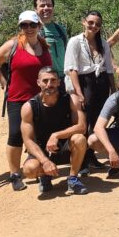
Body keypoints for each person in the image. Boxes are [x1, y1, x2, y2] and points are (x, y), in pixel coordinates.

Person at [0, 10, 52, 192]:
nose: (29, 28)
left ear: (39, 26)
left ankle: (41, 172)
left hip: (39, 99)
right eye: (24, 25)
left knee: (39, 135)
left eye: (32, 25)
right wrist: (3, 82)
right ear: (20, 27)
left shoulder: (43, 45)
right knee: (16, 136)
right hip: (17, 98)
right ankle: (15, 174)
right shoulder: (13, 45)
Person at [20, 67, 89, 195]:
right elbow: (28, 140)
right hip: (42, 151)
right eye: (45, 81)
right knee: (29, 170)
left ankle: (73, 179)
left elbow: (82, 126)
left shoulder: (70, 99)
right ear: (38, 83)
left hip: (65, 147)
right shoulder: (29, 107)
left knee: (80, 138)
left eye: (53, 80)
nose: (49, 84)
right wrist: (44, 161)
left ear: (59, 82)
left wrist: (56, 135)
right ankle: (44, 176)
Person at [64, 10, 115, 133]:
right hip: (85, 81)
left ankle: (93, 144)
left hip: (102, 81)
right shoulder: (75, 41)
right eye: (90, 22)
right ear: (84, 22)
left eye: (97, 24)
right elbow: (72, 69)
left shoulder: (103, 43)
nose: (94, 26)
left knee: (100, 115)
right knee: (85, 114)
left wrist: (113, 89)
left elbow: (109, 68)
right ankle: (85, 148)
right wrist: (79, 92)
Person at [34, 0, 69, 85]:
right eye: (42, 5)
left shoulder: (61, 29)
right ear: (35, 9)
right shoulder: (33, 30)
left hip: (62, 78)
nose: (46, 8)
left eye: (49, 5)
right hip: (44, 80)